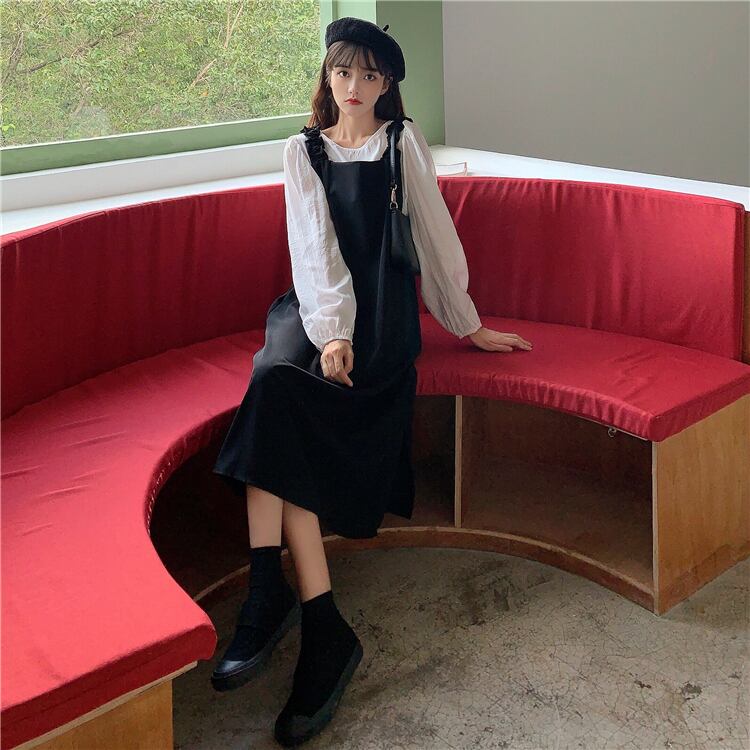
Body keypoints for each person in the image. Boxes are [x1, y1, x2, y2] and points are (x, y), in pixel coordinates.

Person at [210, 15, 533, 748]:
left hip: (383, 317)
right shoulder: (302, 150)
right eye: (342, 72)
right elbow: (312, 248)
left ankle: (272, 599)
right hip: (319, 310)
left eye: (369, 75)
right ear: (326, 77)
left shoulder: (400, 143)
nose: (353, 86)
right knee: (273, 380)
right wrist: (331, 333)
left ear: (388, 85)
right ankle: (300, 609)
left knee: (277, 401)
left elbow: (435, 236)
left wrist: (467, 323)